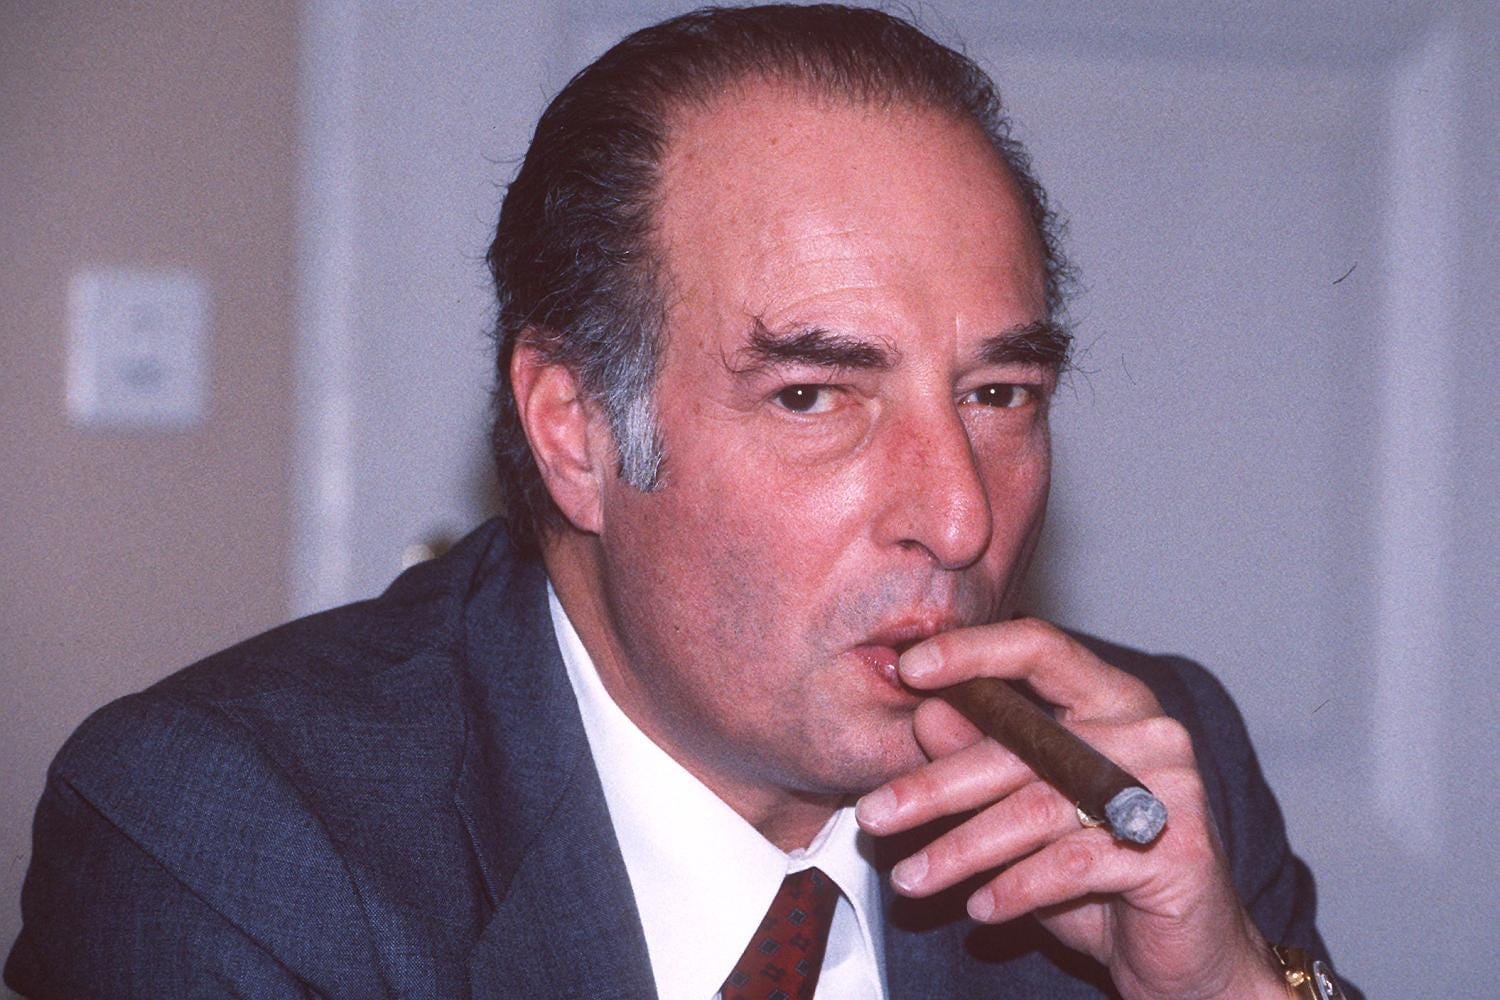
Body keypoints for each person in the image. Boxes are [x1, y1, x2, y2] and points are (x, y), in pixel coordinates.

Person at [7, 6, 1355, 999]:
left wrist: (1227, 986)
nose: (959, 520)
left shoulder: (1144, 780)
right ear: (576, 432)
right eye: (815, 397)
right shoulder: (235, 841)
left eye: (999, 393)